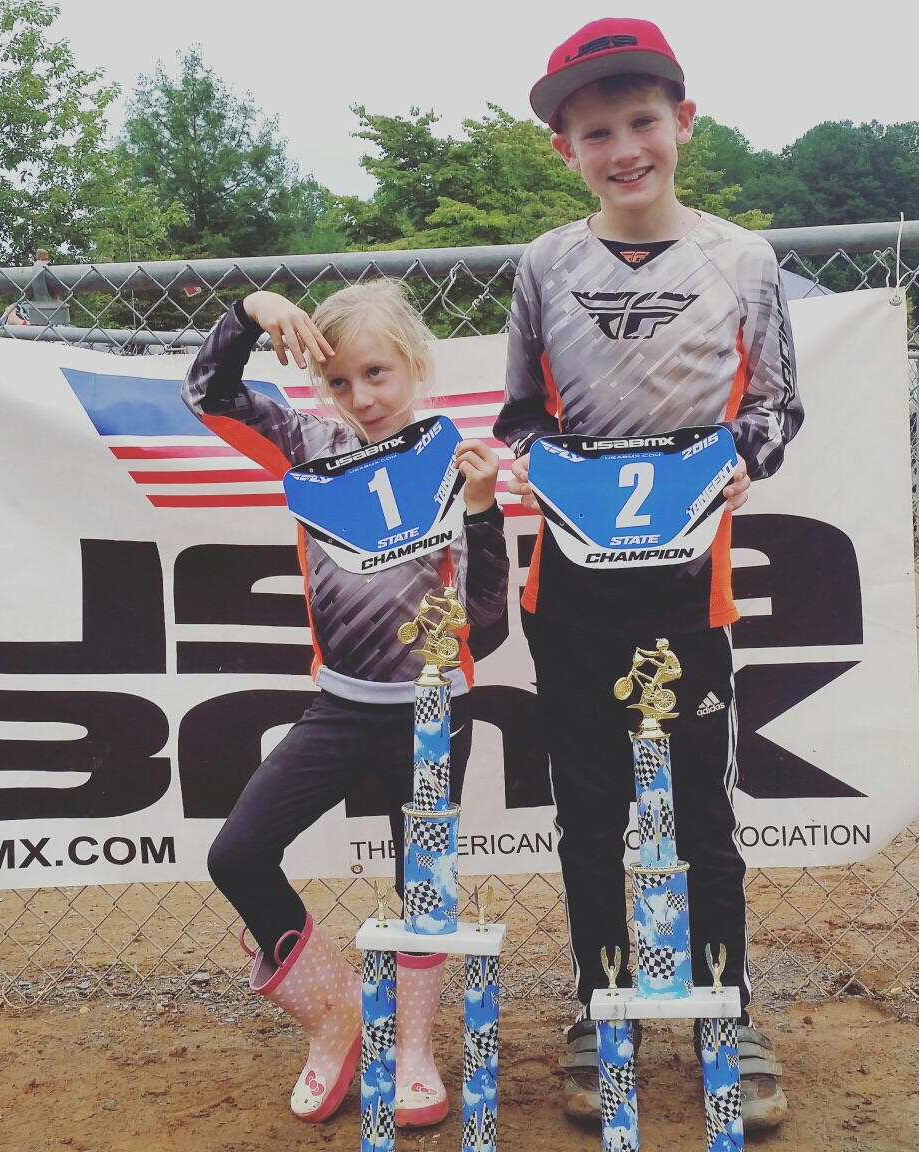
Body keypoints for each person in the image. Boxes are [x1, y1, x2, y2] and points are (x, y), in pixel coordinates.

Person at [494, 17, 804, 1133]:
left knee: (701, 813)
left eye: (641, 122)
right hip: (572, 587)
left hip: (689, 585)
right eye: (596, 133)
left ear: (683, 121)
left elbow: (776, 407)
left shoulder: (743, 259)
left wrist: (740, 464)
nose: (624, 149)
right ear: (564, 148)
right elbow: (518, 417)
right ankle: (602, 1005)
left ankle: (727, 1011)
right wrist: (541, 470)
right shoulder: (544, 264)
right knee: (590, 813)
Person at [182, 282, 509, 1125]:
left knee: (420, 886)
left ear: (417, 365)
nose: (360, 398)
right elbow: (208, 394)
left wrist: (481, 514)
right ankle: (337, 1018)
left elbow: (486, 624)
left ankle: (412, 1051)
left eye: (376, 374)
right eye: (339, 381)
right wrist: (251, 310)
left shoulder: (454, 460)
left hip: (436, 712)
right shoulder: (309, 443)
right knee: (238, 855)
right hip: (340, 708)